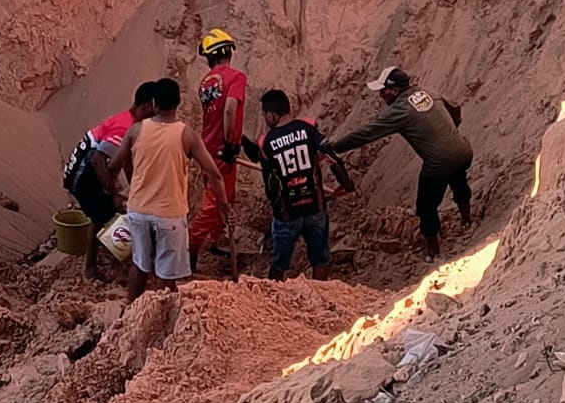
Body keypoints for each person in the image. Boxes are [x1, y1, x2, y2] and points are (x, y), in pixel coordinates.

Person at [108, 77, 229, 303]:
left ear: (153, 103)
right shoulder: (187, 135)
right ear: (178, 103)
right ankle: (159, 317)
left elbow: (114, 165)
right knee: (165, 274)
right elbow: (214, 173)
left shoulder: (136, 130)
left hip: (138, 211)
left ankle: (130, 311)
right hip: (169, 215)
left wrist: (115, 192)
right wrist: (222, 205)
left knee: (140, 264)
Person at [330, 66, 472, 260]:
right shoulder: (427, 91)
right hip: (463, 150)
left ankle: (434, 252)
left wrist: (335, 147)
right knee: (459, 182)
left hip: (438, 164)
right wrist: (450, 131)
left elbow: (366, 134)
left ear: (394, 91)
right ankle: (467, 221)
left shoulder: (398, 111)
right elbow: (455, 108)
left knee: (426, 206)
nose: (380, 95)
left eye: (383, 90)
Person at [245, 89, 354, 281]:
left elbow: (269, 181)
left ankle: (272, 297)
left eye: (264, 115)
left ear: (271, 115)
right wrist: (346, 183)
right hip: (315, 207)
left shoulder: (266, 143)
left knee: (279, 263)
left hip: (287, 213)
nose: (264, 119)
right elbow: (331, 157)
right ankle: (320, 294)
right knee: (320, 258)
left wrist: (275, 204)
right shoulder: (308, 128)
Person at [62, 82, 156, 280]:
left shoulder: (127, 120)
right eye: (154, 112)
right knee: (110, 219)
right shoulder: (125, 127)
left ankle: (94, 265)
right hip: (82, 174)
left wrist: (134, 191)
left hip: (82, 170)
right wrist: (111, 191)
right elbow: (98, 158)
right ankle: (118, 268)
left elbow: (126, 163)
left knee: (101, 215)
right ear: (147, 106)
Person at [189, 28, 247, 273]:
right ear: (228, 52)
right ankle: (189, 247)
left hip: (206, 147)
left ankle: (215, 239)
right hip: (223, 151)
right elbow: (229, 109)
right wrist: (230, 143)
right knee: (217, 202)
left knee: (216, 194)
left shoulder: (205, 82)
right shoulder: (236, 77)